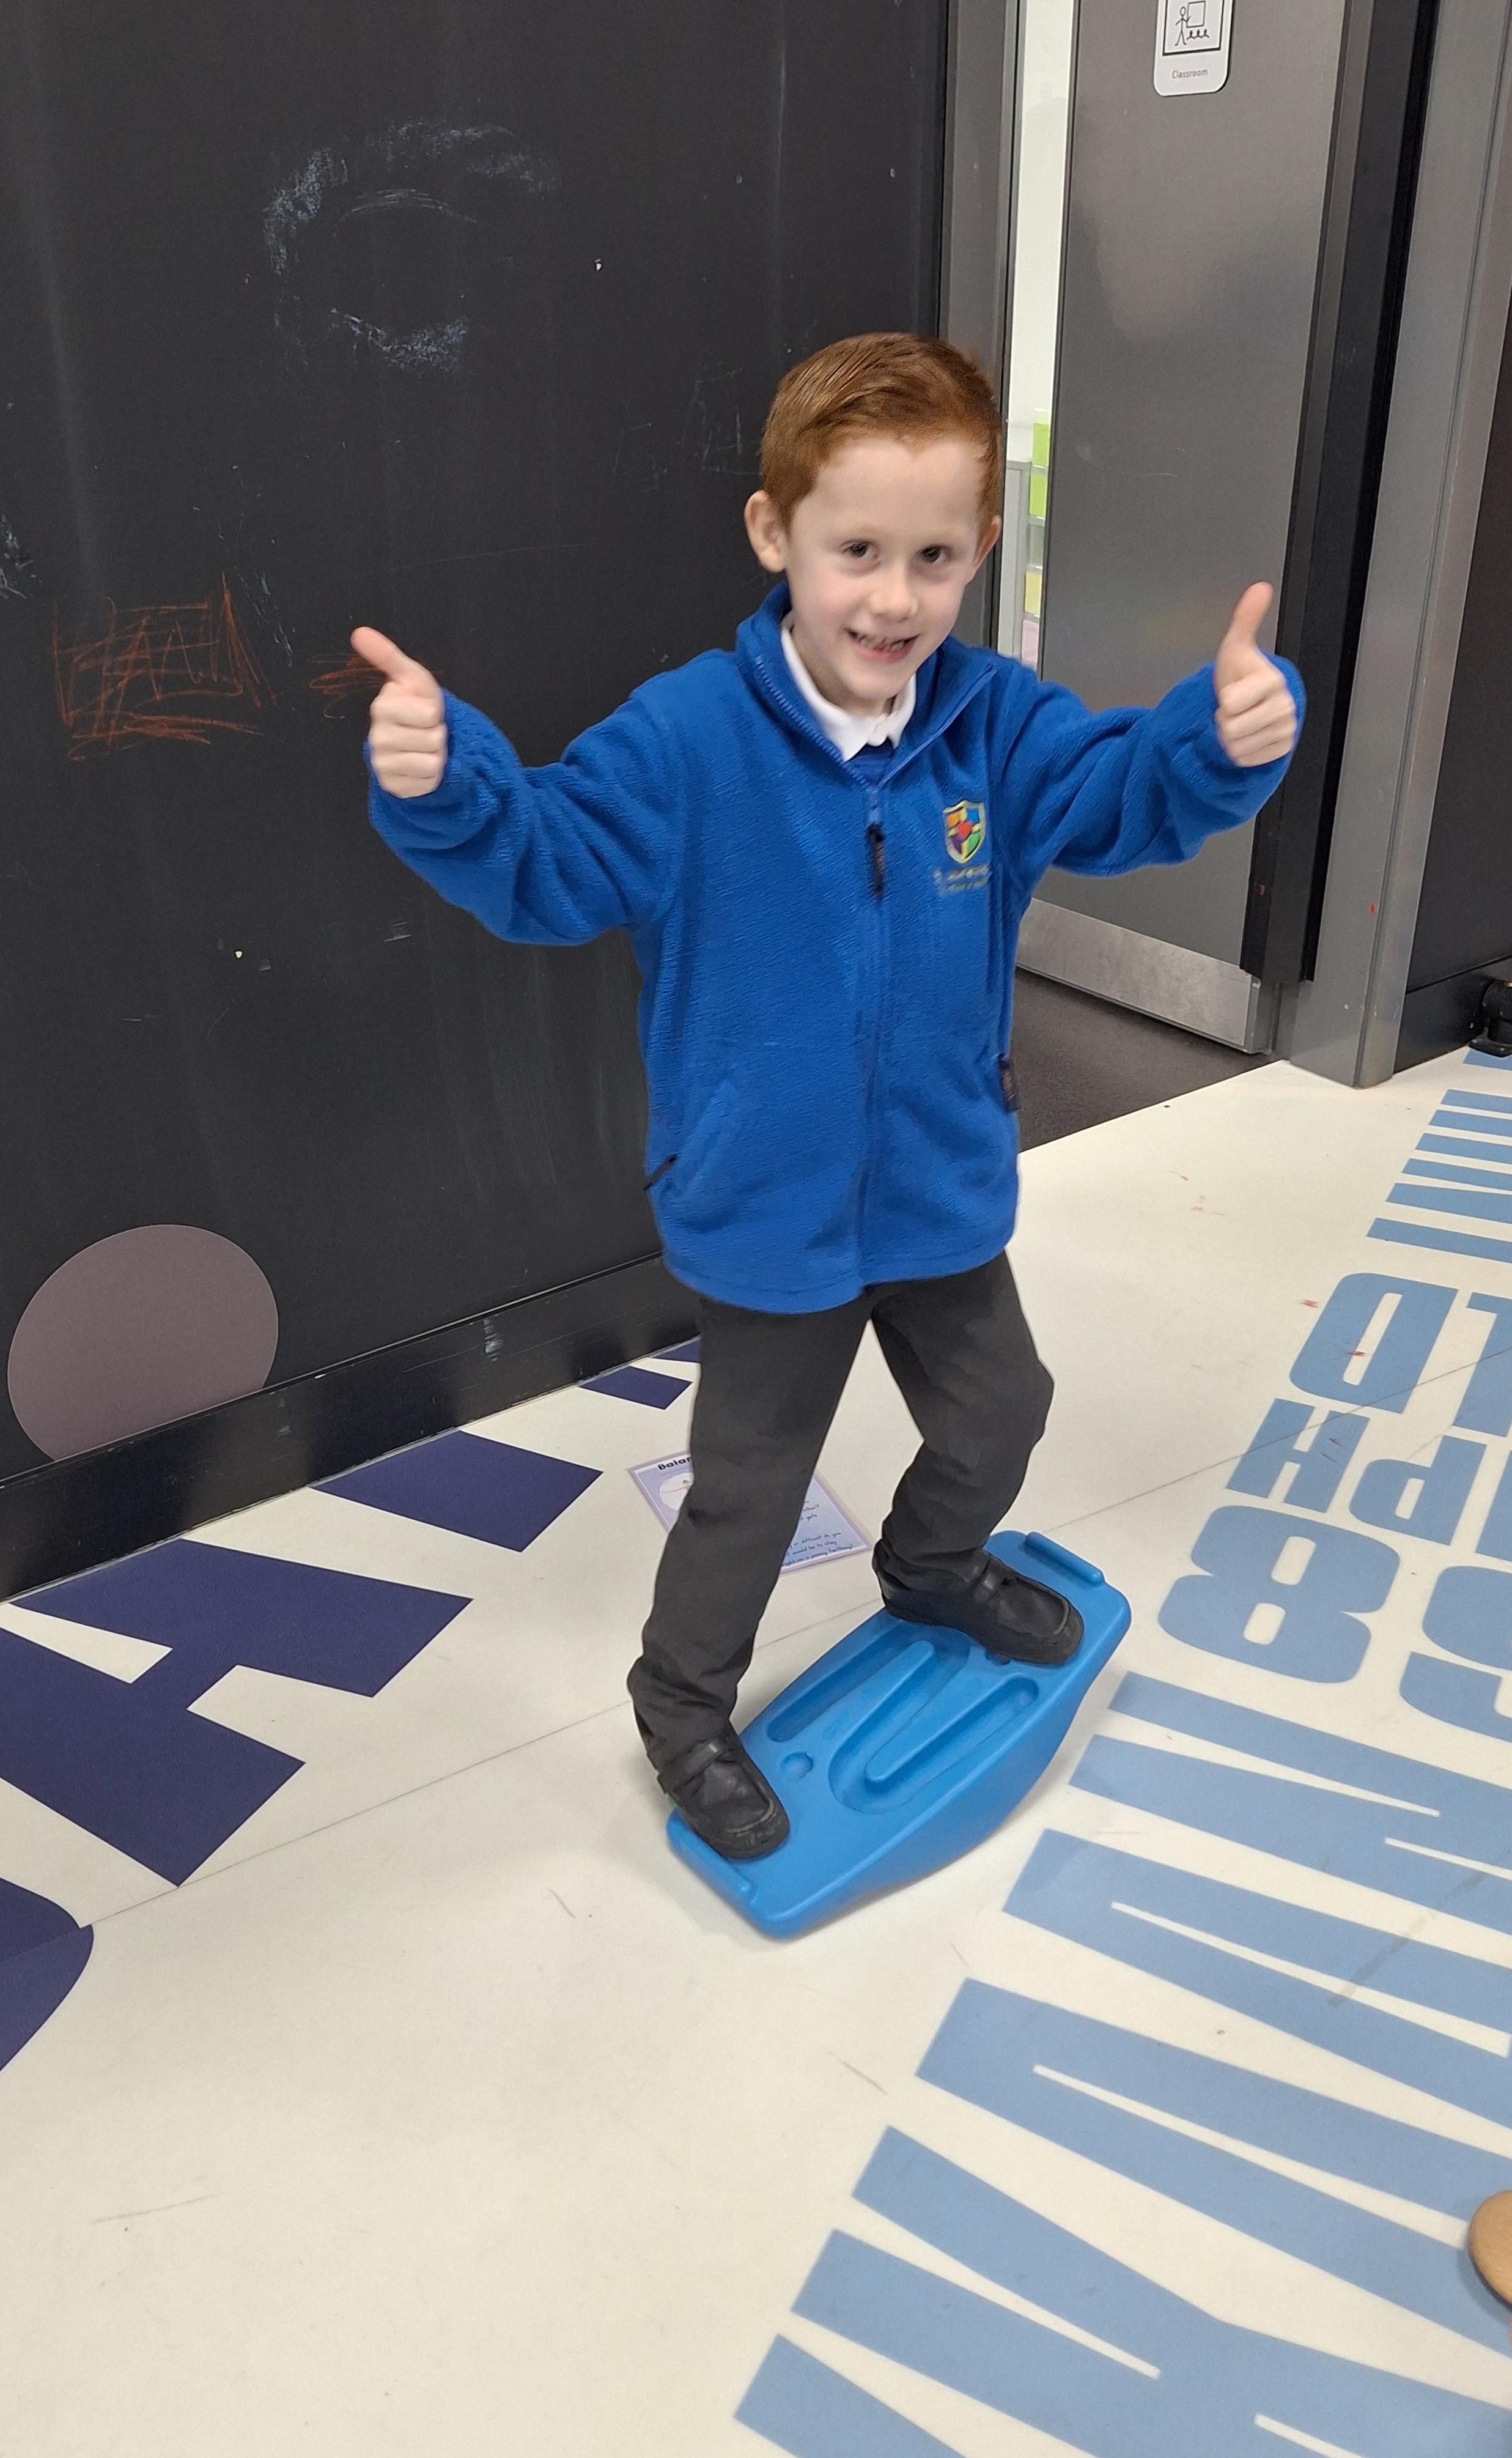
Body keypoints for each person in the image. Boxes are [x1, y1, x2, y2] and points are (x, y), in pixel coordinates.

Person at [355, 332, 1302, 1862]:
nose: (893, 599)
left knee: (1005, 1410)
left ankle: (931, 1567)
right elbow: (545, 863)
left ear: (981, 547)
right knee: (749, 1489)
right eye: (856, 550)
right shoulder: (684, 739)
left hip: (937, 1189)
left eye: (935, 557)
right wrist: (445, 787)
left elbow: (1125, 795)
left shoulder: (995, 723)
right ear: (773, 534)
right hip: (767, 1212)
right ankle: (682, 1710)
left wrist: (1217, 742)